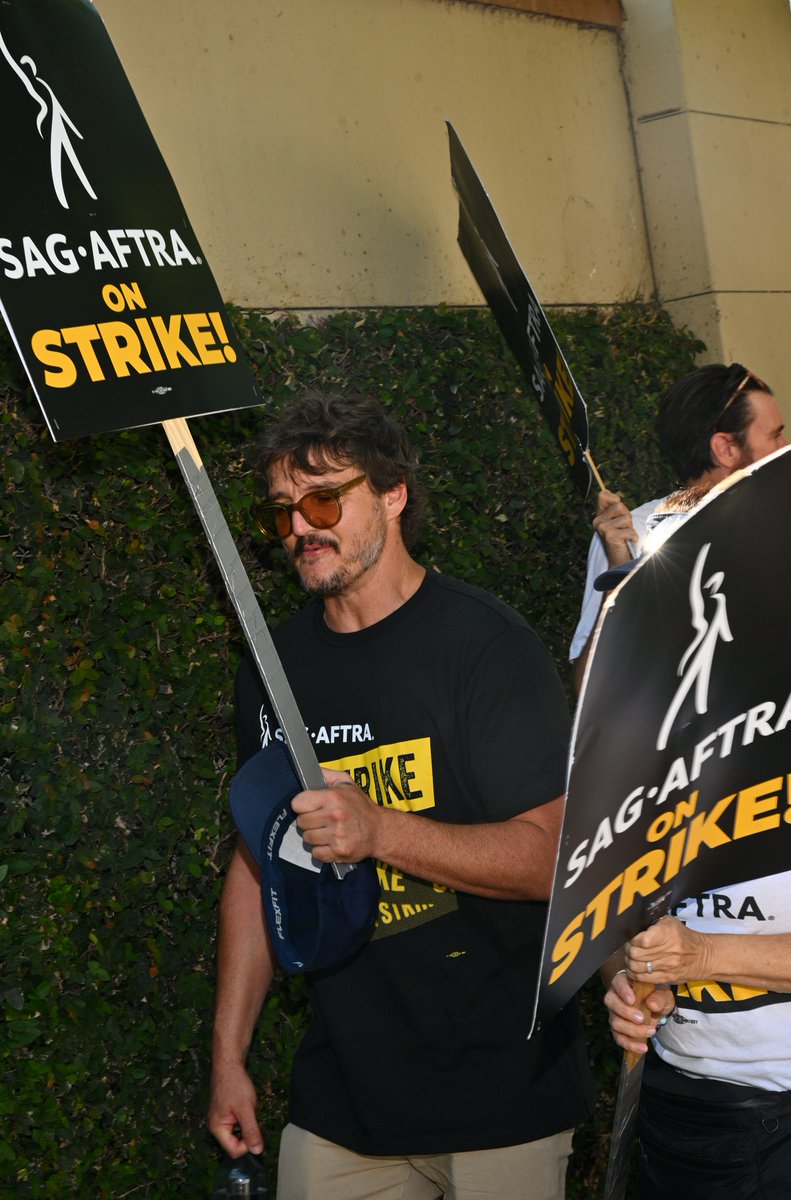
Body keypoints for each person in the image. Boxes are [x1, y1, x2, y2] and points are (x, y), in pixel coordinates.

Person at [207, 391, 595, 1200]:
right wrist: (228, 1058)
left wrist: (379, 829)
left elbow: (558, 859)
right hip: (343, 1097)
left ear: (392, 494)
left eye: (322, 498)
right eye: (281, 511)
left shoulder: (484, 647)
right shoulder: (274, 669)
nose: (300, 527)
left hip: (502, 1090)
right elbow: (255, 866)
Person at [569, 362, 786, 691]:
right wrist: (621, 578)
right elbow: (592, 688)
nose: (785, 447)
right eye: (775, 434)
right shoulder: (638, 533)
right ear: (726, 448)